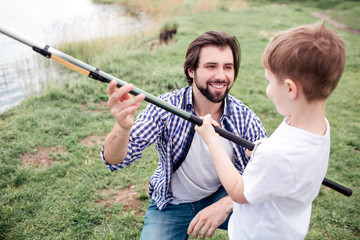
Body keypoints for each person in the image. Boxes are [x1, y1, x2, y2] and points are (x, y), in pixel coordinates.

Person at [101, 31, 267, 239]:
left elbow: (265, 175)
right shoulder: (165, 107)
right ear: (191, 71)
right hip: (173, 203)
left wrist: (226, 204)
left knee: (267, 221)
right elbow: (114, 160)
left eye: (228, 67)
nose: (221, 76)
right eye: (210, 66)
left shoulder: (244, 117)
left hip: (223, 194)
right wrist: (122, 127)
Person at [195, 21, 346, 239]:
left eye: (269, 81)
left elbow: (238, 192)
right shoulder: (317, 127)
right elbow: (286, 162)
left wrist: (211, 140)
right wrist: (264, 147)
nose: (267, 90)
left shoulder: (277, 155)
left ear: (289, 88)